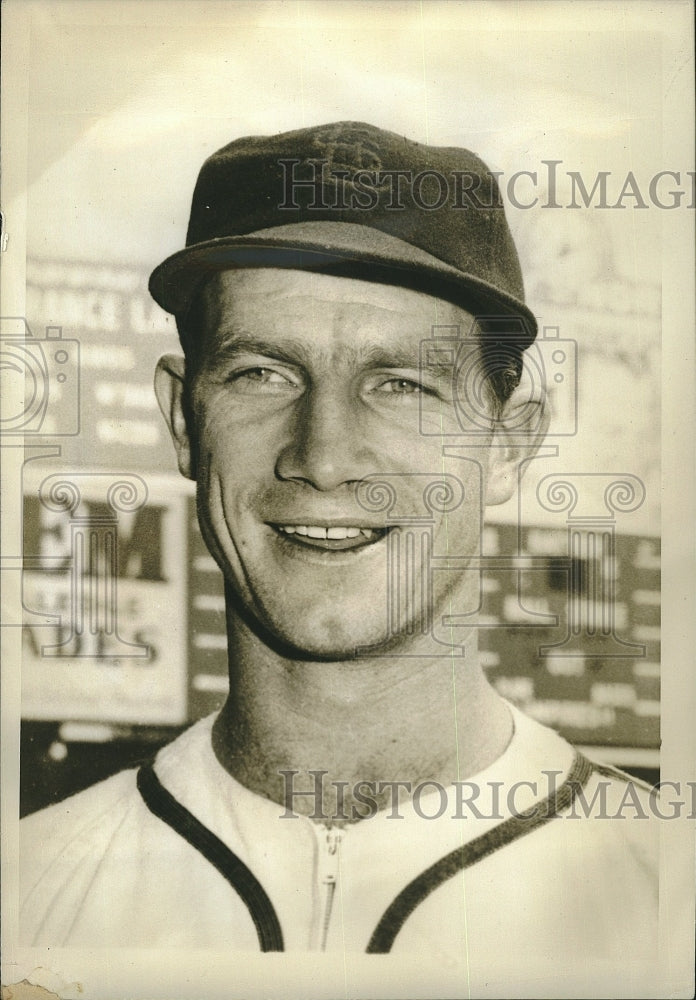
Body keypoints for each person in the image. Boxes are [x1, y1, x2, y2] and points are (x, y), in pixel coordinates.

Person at [20, 122, 657, 985]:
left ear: (509, 444)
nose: (322, 456)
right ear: (182, 418)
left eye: (401, 384)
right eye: (262, 374)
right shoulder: (26, 896)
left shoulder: (666, 895)